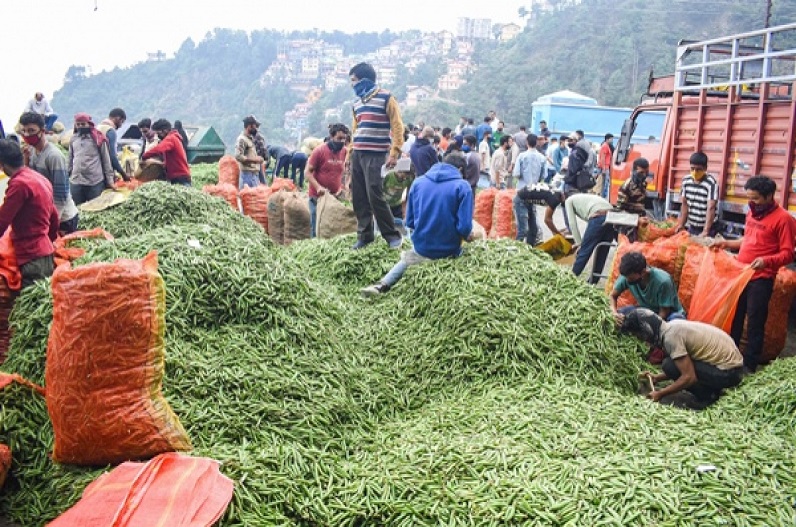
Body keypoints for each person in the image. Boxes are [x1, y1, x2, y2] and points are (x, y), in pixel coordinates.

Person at [360, 153, 473, 296]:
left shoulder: (418, 182)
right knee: (468, 258)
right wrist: (467, 235)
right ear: (461, 169)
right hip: (449, 250)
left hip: (422, 247)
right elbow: (464, 227)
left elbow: (410, 222)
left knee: (408, 259)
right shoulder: (463, 187)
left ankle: (381, 285)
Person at [715, 176, 796, 372]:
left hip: (761, 278)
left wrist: (765, 261)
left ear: (769, 196)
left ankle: (749, 365)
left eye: (756, 199)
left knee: (754, 322)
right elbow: (748, 240)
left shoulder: (784, 219)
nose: (752, 202)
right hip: (741, 273)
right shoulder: (752, 213)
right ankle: (730, 355)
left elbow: (788, 253)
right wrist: (727, 243)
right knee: (735, 316)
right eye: (750, 198)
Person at [622, 309, 744, 408]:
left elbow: (689, 377)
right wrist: (657, 378)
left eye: (640, 335)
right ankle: (712, 387)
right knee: (671, 365)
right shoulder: (671, 326)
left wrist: (660, 393)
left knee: (669, 365)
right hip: (730, 367)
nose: (643, 340)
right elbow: (685, 363)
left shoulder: (671, 338)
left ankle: (708, 395)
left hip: (729, 373)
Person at [0, 139, 59, 288]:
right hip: (45, 252)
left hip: (31, 256)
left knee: (32, 305)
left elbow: (2, 222)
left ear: (2, 164)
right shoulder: (38, 178)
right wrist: (49, 241)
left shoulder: (19, 184)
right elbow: (54, 217)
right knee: (43, 303)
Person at [19, 112, 79, 233]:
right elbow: (31, 180)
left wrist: (51, 224)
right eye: (24, 131)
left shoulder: (54, 156)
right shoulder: (30, 150)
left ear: (42, 131)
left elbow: (60, 194)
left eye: (31, 130)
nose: (27, 134)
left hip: (63, 219)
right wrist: (25, 160)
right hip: (45, 214)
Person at [610, 251, 686, 323]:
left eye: (631, 278)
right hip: (646, 311)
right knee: (618, 316)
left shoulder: (663, 281)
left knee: (676, 322)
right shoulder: (627, 276)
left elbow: (664, 312)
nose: (627, 280)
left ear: (643, 272)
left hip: (668, 314)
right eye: (626, 277)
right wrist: (614, 313)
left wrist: (649, 327)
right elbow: (613, 296)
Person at [307, 123, 348, 238]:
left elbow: (343, 171)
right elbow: (307, 172)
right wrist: (318, 187)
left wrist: (343, 186)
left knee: (331, 226)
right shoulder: (319, 151)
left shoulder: (344, 151)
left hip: (334, 197)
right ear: (331, 137)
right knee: (316, 225)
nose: (342, 141)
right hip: (317, 197)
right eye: (339, 138)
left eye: (344, 138)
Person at [565, 193, 615, 283]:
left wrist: (579, 243)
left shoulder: (568, 201)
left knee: (584, 251)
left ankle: (570, 279)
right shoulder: (582, 197)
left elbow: (572, 223)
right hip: (612, 216)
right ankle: (593, 282)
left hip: (598, 215)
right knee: (603, 250)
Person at [68, 113, 115, 205]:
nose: (81, 127)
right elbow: (70, 158)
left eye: (83, 124)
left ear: (89, 124)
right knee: (76, 208)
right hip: (76, 181)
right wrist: (68, 173)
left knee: (95, 208)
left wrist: (110, 180)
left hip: (94, 182)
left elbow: (106, 160)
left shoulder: (98, 138)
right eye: (78, 124)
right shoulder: (73, 139)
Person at [512, 134, 546, 245]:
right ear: (536, 143)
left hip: (522, 193)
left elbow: (516, 174)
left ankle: (517, 250)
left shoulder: (522, 156)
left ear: (527, 142)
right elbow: (543, 176)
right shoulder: (542, 157)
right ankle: (529, 248)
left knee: (523, 228)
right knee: (533, 228)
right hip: (534, 194)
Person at [676, 151, 718, 237]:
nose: (695, 172)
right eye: (692, 168)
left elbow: (711, 207)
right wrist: (681, 225)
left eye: (699, 169)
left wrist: (706, 231)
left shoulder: (711, 183)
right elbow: (684, 204)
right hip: (692, 226)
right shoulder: (686, 181)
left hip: (708, 228)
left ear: (705, 168)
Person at [141, 119, 191, 186]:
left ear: (165, 130)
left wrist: (144, 156)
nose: (158, 136)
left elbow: (159, 149)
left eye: (158, 133)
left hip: (180, 177)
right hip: (177, 176)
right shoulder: (172, 138)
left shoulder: (171, 138)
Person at [96, 108, 129, 181]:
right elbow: (112, 156)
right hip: (103, 172)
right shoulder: (110, 131)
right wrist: (123, 173)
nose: (120, 126)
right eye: (122, 122)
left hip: (94, 169)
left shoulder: (98, 127)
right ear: (117, 118)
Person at [382, 157, 414, 228]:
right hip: (384, 205)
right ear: (400, 171)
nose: (405, 178)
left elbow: (408, 195)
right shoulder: (388, 176)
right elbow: (378, 191)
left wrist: (406, 212)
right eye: (405, 175)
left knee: (398, 227)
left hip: (397, 206)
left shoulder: (409, 179)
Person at [234, 115, 263, 189]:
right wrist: (255, 160)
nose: (256, 129)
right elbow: (238, 156)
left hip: (254, 175)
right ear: (249, 126)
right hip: (247, 176)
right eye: (255, 126)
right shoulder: (242, 139)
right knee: (249, 199)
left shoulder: (250, 139)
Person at [597, 133, 614, 198]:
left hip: (605, 167)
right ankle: (602, 196)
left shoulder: (606, 146)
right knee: (603, 183)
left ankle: (602, 195)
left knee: (603, 183)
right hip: (605, 167)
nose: (612, 141)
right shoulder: (605, 146)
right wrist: (604, 168)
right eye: (611, 139)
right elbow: (603, 158)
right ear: (607, 139)